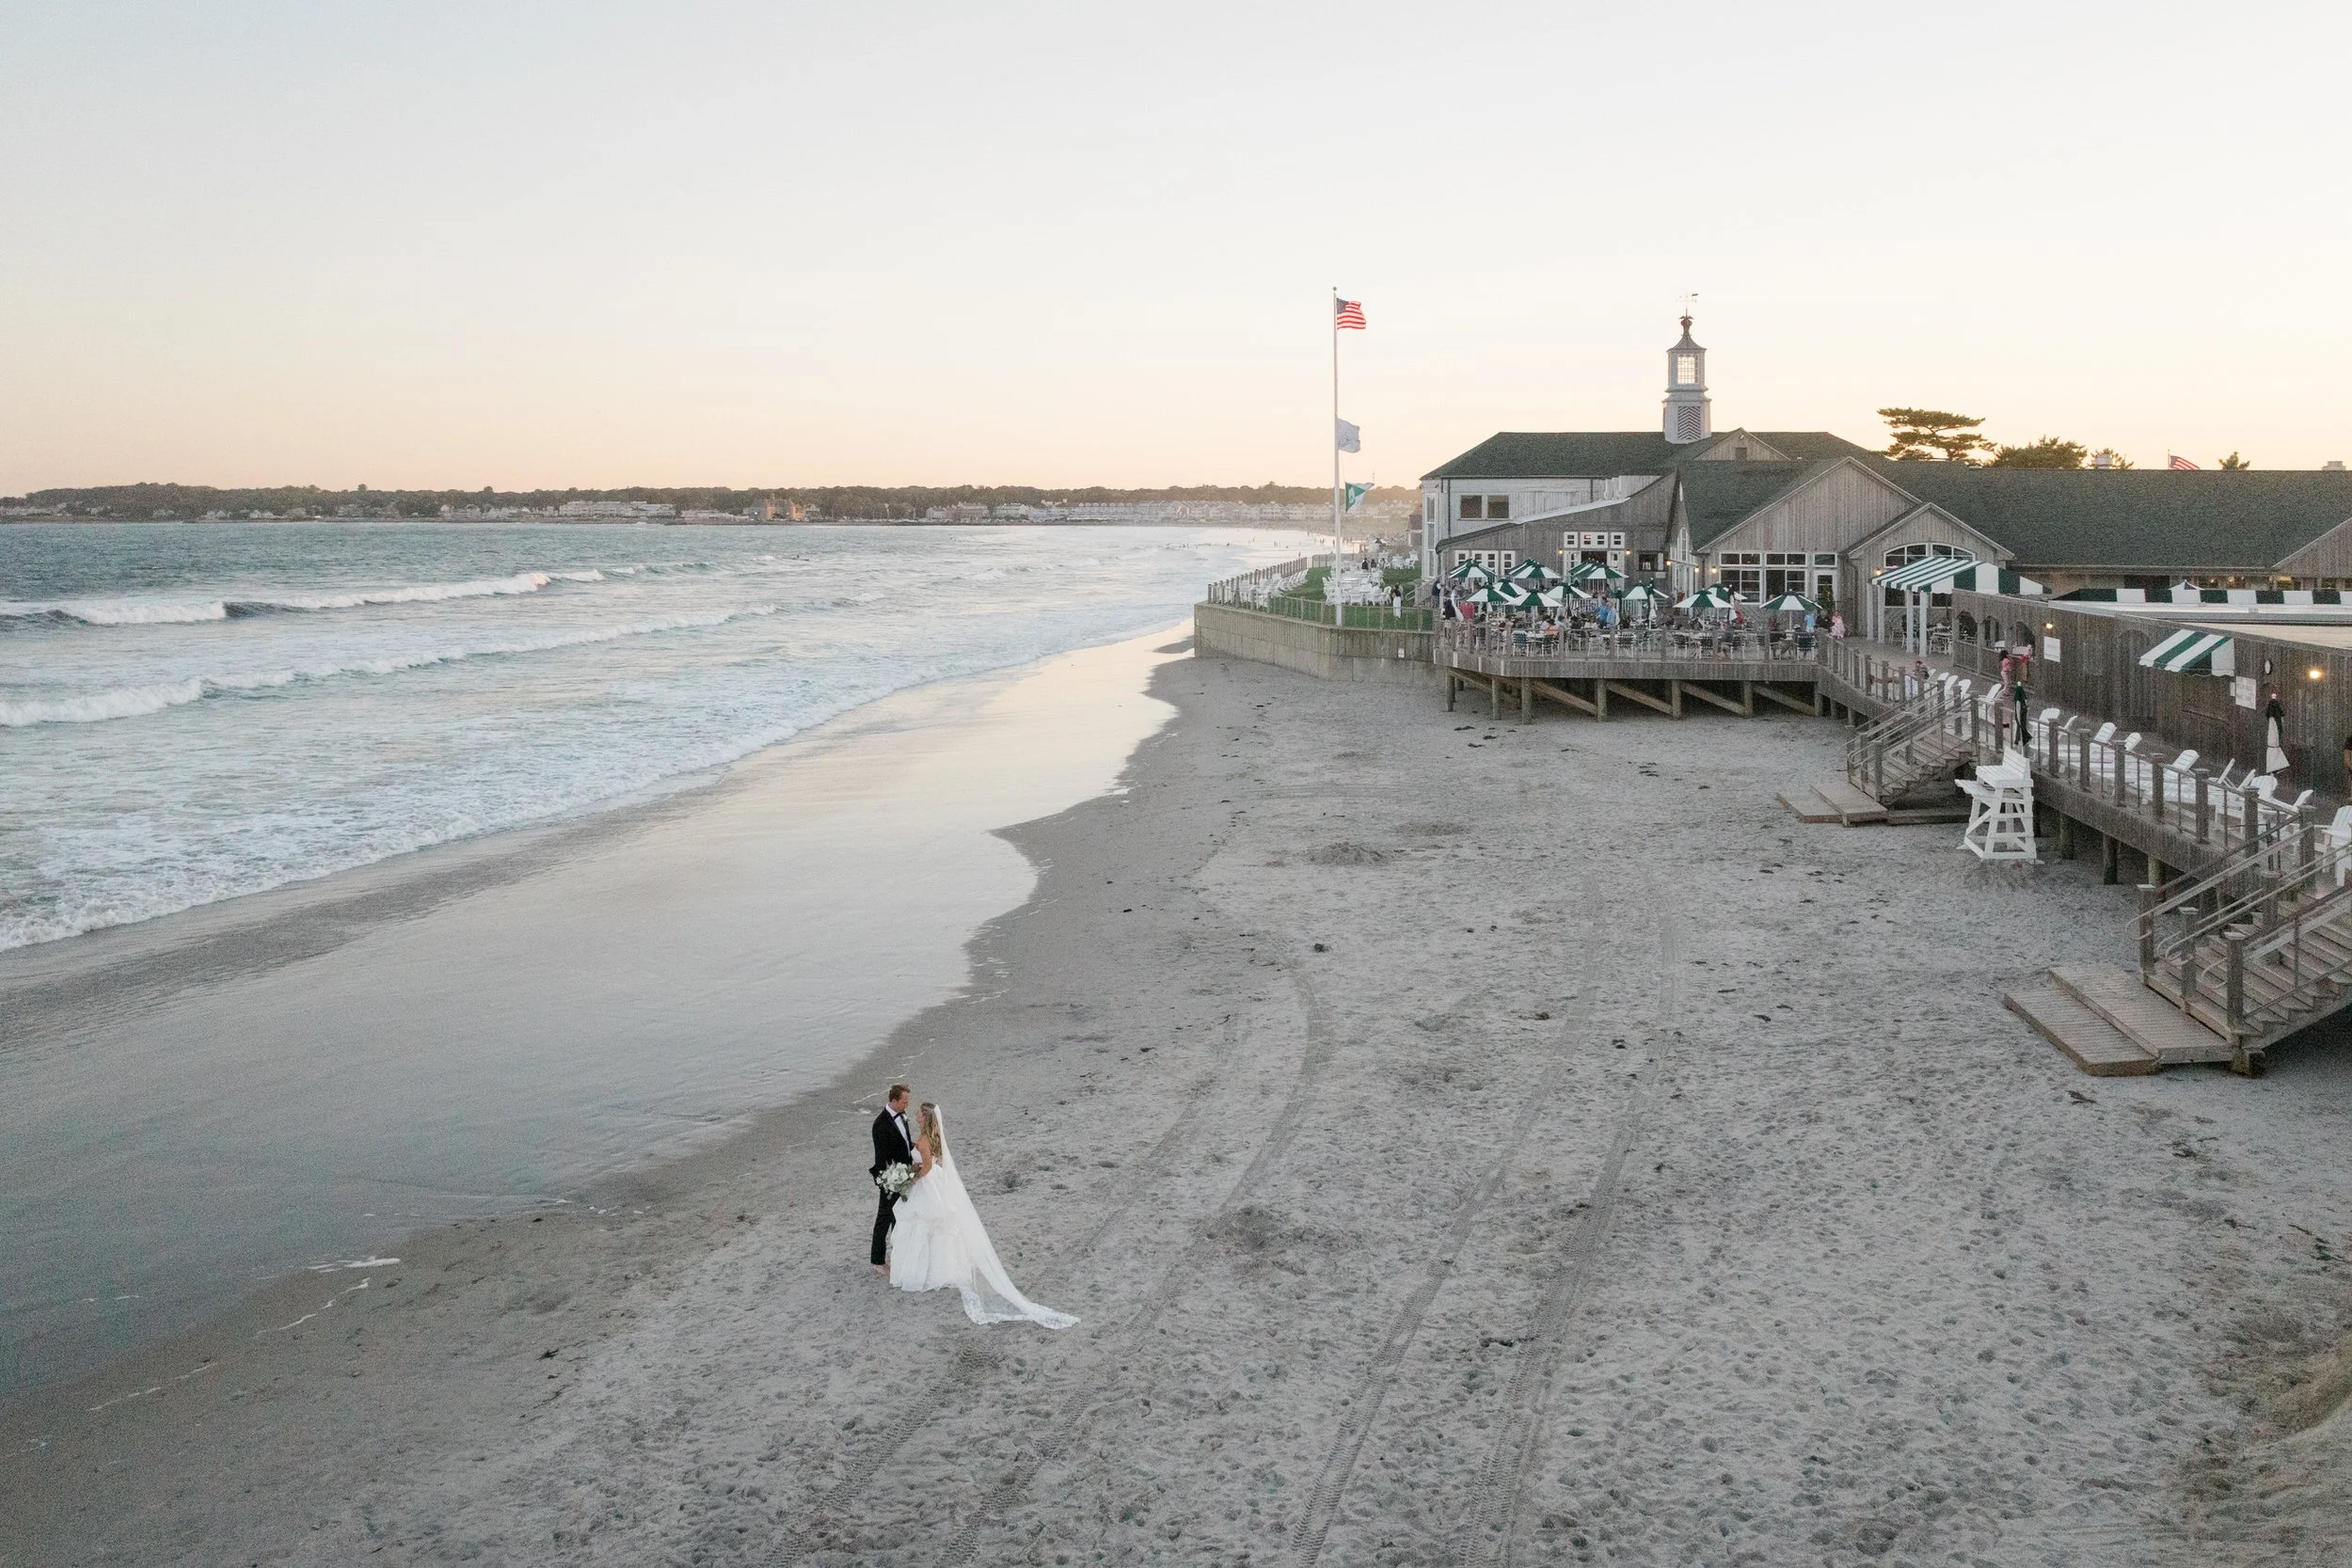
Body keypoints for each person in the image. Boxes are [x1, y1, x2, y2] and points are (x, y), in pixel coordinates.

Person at [890, 1102, 1077, 1329]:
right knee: (936, 1228)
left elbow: (928, 1166)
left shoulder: (925, 1139)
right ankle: (939, 1267)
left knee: (925, 1225)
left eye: (919, 1112)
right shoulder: (931, 1136)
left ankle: (926, 1271)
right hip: (935, 1183)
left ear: (925, 1117)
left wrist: (912, 1180)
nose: (916, 1114)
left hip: (928, 1184)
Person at [868, 1084, 915, 1275]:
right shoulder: (880, 1125)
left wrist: (915, 1149)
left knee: (900, 1216)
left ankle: (899, 1255)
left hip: (904, 1173)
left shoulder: (901, 1115)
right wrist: (890, 1178)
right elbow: (883, 1156)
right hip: (890, 1176)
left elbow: (903, 1142)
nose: (907, 1104)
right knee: (884, 1217)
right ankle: (878, 1261)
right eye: (904, 1101)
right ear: (894, 1101)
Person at [2265, 689, 2290, 776]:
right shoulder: (2274, 722)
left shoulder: (2273, 722)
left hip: (2273, 744)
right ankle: (2276, 767)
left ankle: (2275, 768)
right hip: (2274, 742)